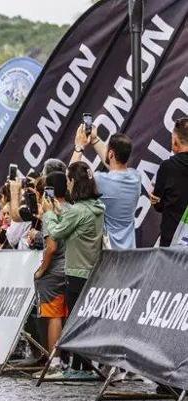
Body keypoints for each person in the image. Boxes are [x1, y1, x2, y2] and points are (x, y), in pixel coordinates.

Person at [42, 161, 104, 377]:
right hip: (93, 270)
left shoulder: (77, 211)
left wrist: (49, 213)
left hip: (76, 271)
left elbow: (57, 232)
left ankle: (79, 369)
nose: (66, 184)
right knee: (87, 319)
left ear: (74, 182)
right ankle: (85, 366)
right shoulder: (97, 207)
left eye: (69, 180)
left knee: (75, 320)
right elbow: (75, 222)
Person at [71, 126, 140, 249]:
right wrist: (95, 139)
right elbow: (114, 165)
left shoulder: (99, 180)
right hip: (130, 253)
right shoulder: (136, 177)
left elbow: (70, 179)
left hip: (109, 254)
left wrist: (79, 146)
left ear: (111, 154)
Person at [30, 172, 70, 379]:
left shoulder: (50, 212)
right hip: (72, 269)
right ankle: (66, 362)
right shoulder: (73, 209)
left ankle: (54, 363)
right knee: (66, 315)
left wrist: (41, 270)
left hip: (54, 271)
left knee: (53, 316)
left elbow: (51, 246)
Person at [151, 117, 188, 246]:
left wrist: (154, 199)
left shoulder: (167, 167)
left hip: (171, 243)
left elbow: (158, 205)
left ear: (176, 142)